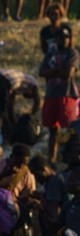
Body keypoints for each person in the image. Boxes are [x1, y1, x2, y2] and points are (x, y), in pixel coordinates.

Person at [39, 27, 80, 163]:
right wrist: (57, 71)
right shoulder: (50, 53)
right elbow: (41, 72)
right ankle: (52, 158)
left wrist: (52, 71)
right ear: (56, 39)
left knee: (70, 130)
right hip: (51, 94)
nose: (64, 40)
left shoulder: (72, 53)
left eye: (66, 38)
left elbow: (68, 73)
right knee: (52, 129)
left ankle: (72, 158)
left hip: (66, 95)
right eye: (61, 38)